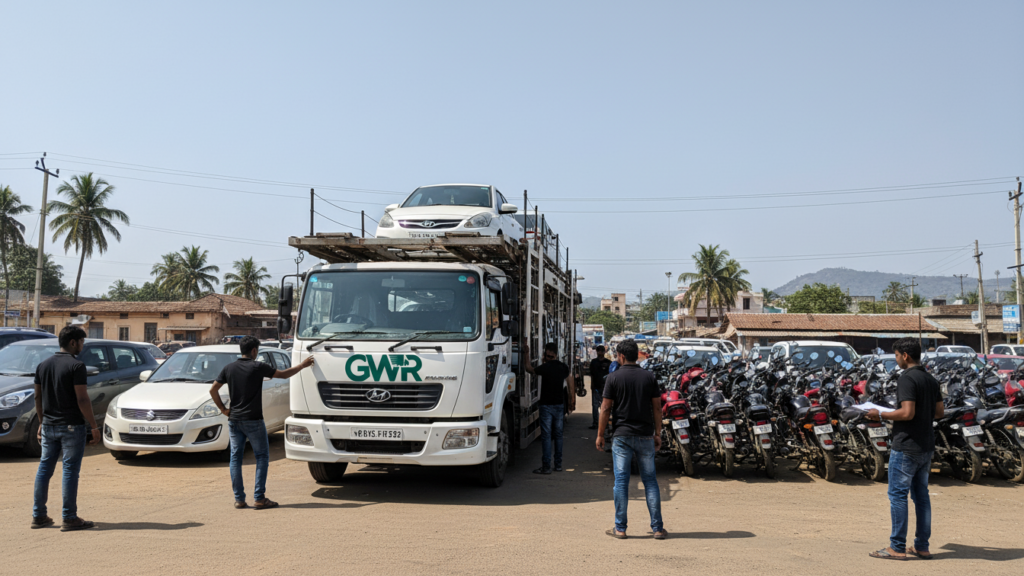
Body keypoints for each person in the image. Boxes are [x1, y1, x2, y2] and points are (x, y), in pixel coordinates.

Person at [210, 336, 315, 509]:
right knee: (262, 456)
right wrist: (302, 366)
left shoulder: (229, 368)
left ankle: (239, 499)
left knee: (235, 458)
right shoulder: (258, 366)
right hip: (253, 420)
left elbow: (213, 389)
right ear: (253, 351)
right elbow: (283, 375)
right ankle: (259, 497)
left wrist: (223, 410)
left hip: (234, 420)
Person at [866, 338, 943, 561]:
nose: (896, 360)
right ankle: (922, 546)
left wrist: (879, 414)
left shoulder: (907, 378)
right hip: (926, 444)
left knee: (898, 495)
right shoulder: (930, 379)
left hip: (907, 444)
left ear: (905, 356)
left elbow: (907, 413)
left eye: (897, 356)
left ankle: (897, 547)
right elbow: (939, 413)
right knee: (921, 496)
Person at [31, 326, 99, 531]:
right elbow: (82, 399)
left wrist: (42, 422)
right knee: (70, 471)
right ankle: (69, 518)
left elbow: (37, 397)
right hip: (72, 427)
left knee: (44, 469)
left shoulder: (43, 365)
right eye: (81, 342)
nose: (82, 346)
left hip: (49, 426)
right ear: (73, 342)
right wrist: (93, 426)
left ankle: (39, 516)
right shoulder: (76, 366)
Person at [596, 339, 666, 540]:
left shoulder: (613, 377)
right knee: (650, 482)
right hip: (645, 435)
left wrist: (600, 434)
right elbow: (656, 408)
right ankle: (658, 528)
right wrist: (658, 433)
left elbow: (606, 408)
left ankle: (620, 528)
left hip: (622, 436)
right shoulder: (649, 377)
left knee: (621, 481)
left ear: (621, 356)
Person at [524, 342, 573, 474]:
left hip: (546, 405)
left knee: (546, 436)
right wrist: (571, 399)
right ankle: (558, 465)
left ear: (545, 355)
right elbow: (570, 380)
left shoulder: (545, 367)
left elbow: (529, 369)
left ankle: (546, 466)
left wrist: (527, 353)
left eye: (547, 356)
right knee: (558, 435)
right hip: (559, 405)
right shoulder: (563, 367)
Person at [589, 346, 611, 430]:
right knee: (595, 406)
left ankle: (606, 424)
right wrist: (592, 385)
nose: (600, 353)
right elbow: (591, 374)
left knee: (605, 406)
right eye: (599, 351)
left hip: (606, 388)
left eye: (602, 351)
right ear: (597, 352)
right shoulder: (593, 362)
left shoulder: (608, 363)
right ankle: (595, 423)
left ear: (604, 352)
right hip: (596, 387)